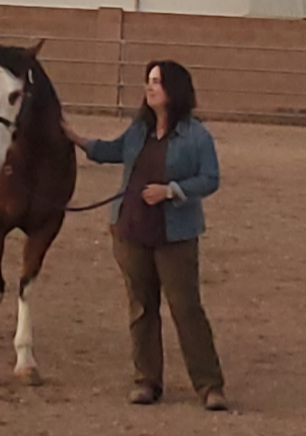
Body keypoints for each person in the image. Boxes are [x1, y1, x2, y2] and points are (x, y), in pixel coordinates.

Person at [62, 60, 228, 410]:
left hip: (175, 236)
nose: (149, 87)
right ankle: (147, 381)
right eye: (148, 81)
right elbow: (112, 151)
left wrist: (171, 191)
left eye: (157, 82)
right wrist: (76, 139)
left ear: (175, 89)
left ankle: (209, 385)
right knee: (141, 308)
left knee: (186, 309)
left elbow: (210, 179)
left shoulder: (197, 136)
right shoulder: (139, 129)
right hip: (130, 230)